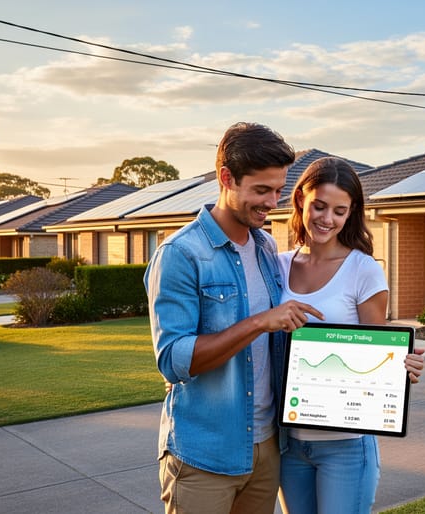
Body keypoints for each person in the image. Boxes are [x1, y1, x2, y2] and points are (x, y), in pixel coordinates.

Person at [145, 122, 323, 514]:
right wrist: (260, 321)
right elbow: (174, 361)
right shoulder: (181, 254)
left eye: (278, 190)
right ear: (226, 178)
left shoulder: (264, 246)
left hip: (266, 449)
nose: (273, 202)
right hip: (204, 455)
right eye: (261, 190)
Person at [277, 156, 425, 514]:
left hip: (346, 446)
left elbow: (378, 352)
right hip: (287, 443)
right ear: (301, 200)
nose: (327, 219)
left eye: (339, 211)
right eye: (319, 206)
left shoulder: (363, 270)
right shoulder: (277, 265)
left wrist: (401, 368)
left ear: (351, 213)